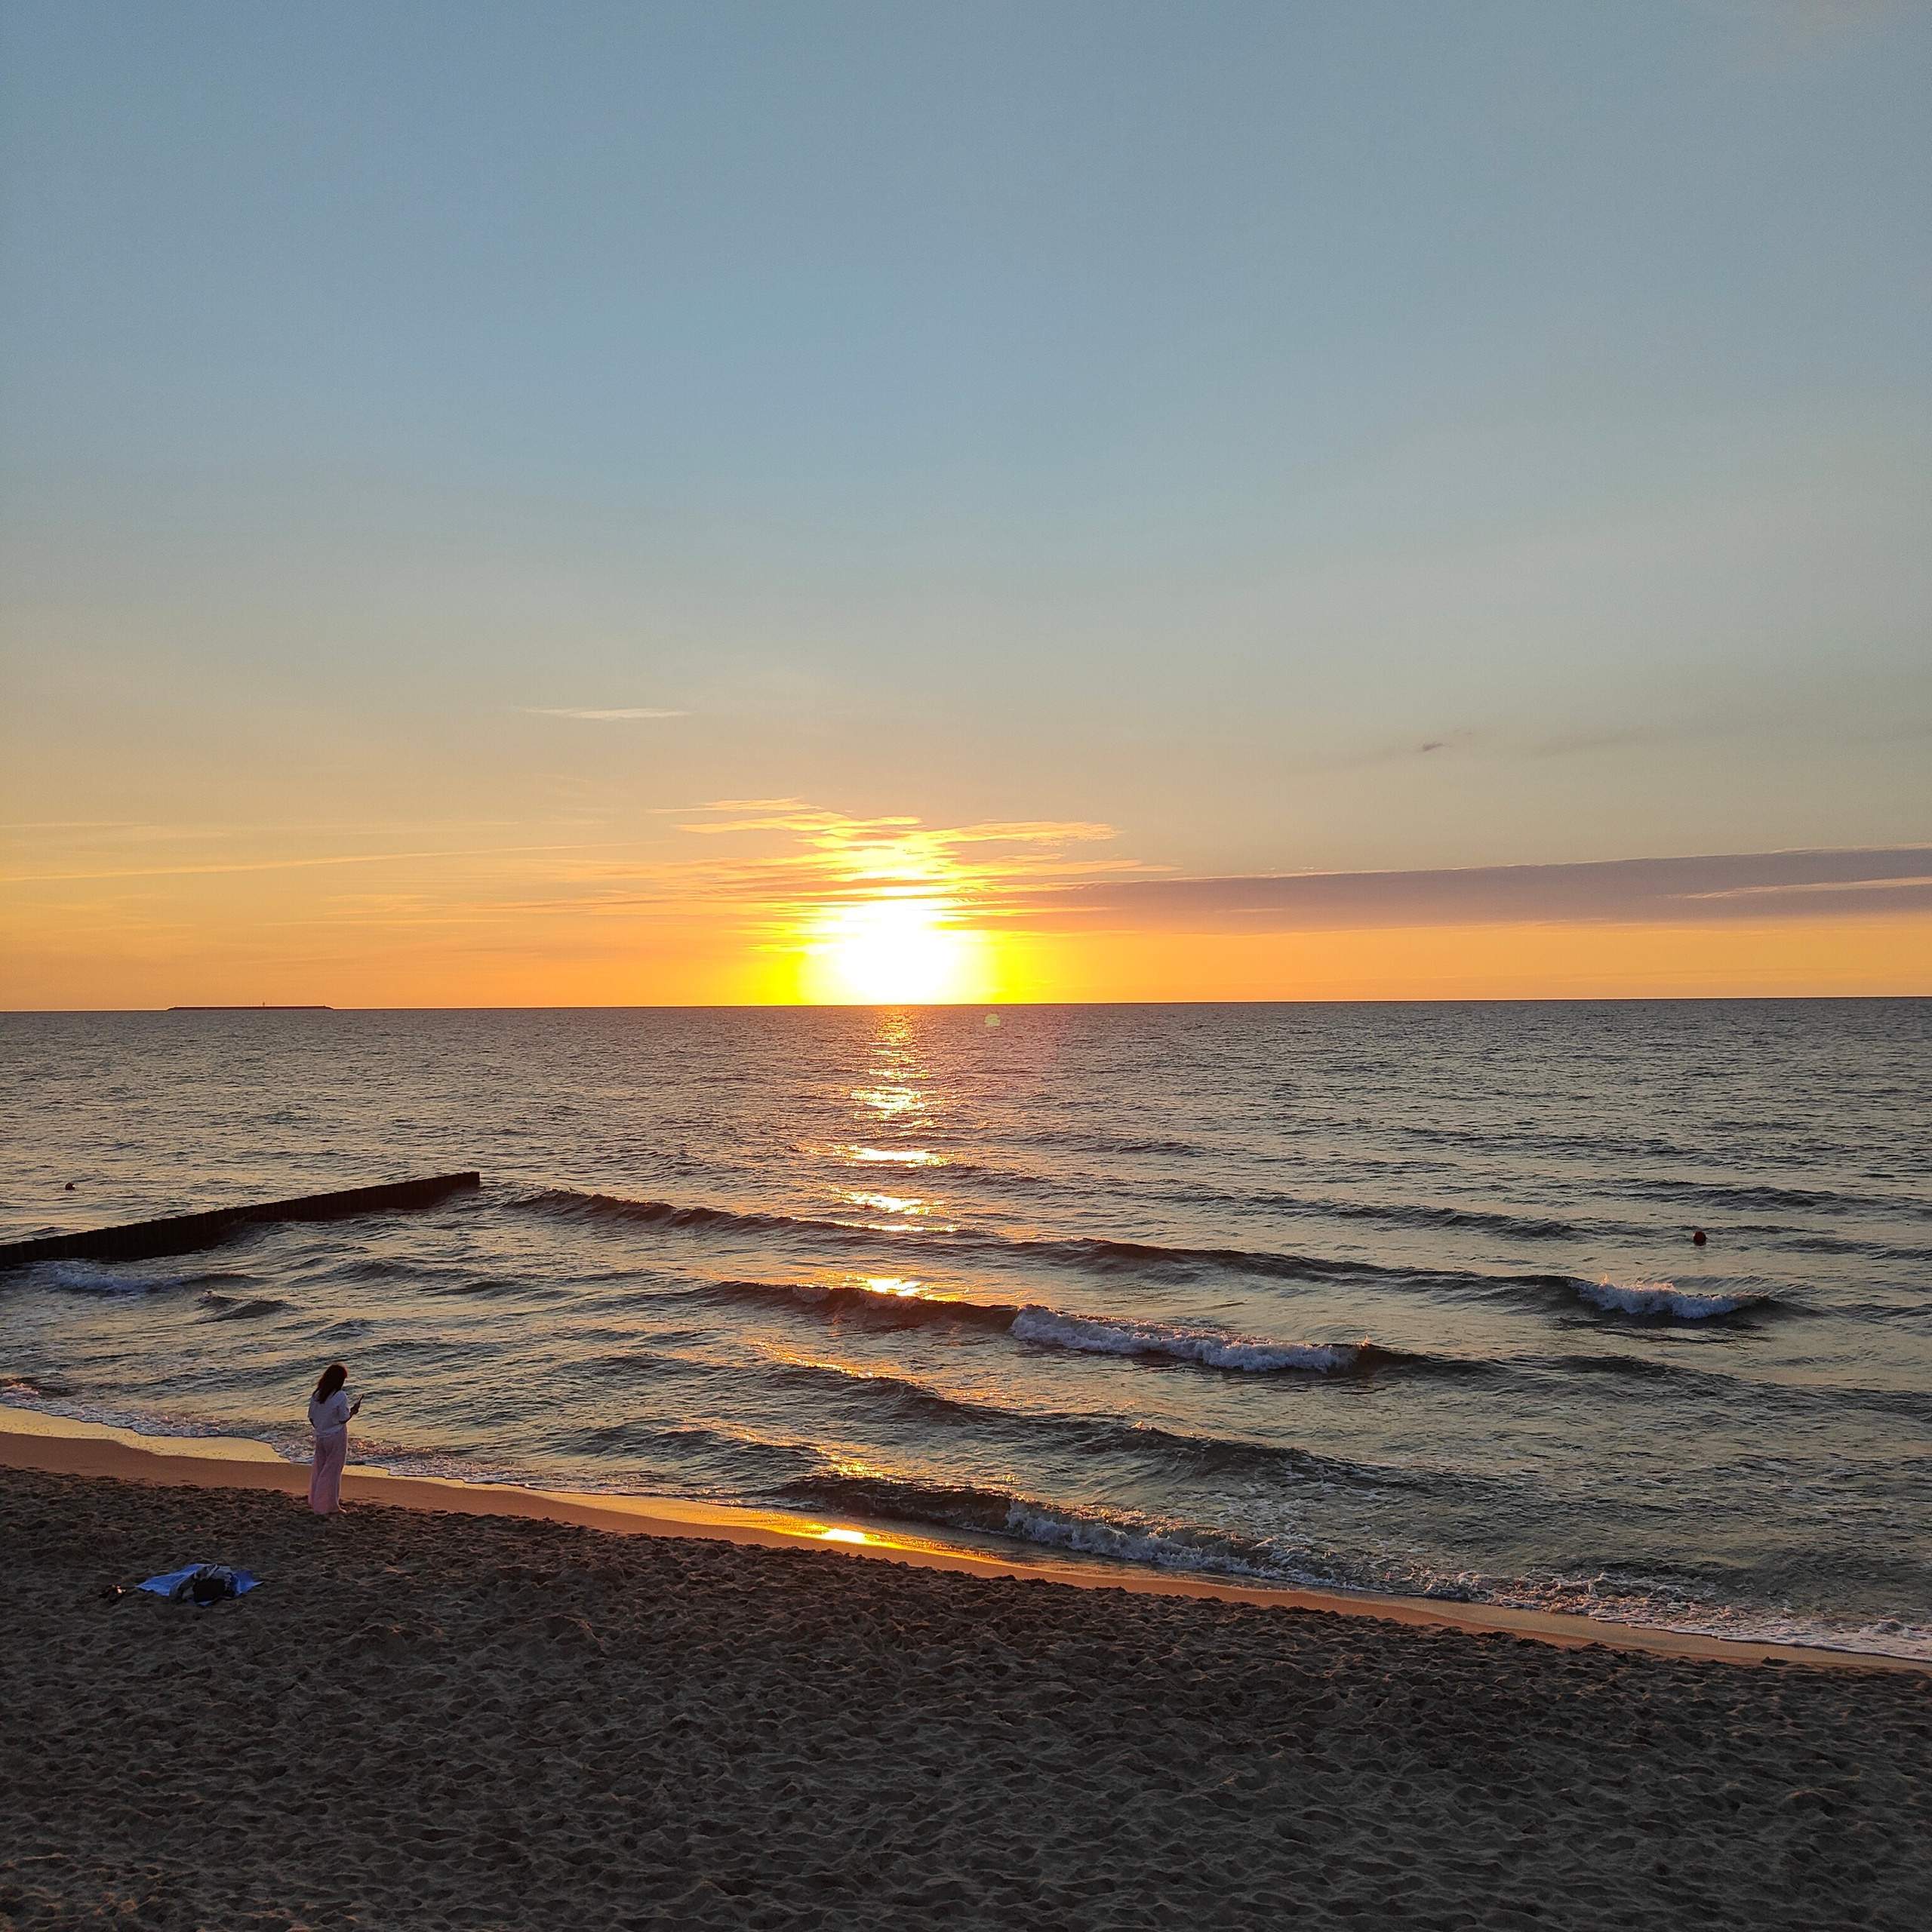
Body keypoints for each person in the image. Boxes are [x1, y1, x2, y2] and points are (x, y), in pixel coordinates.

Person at [306, 1362, 361, 1516]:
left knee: (320, 1469)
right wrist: (353, 1412)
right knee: (332, 1472)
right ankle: (329, 1506)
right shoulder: (340, 1396)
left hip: (321, 1436)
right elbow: (343, 1418)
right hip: (336, 1436)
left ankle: (317, 1501)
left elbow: (312, 1418)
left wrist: (322, 1427)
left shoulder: (317, 1394)